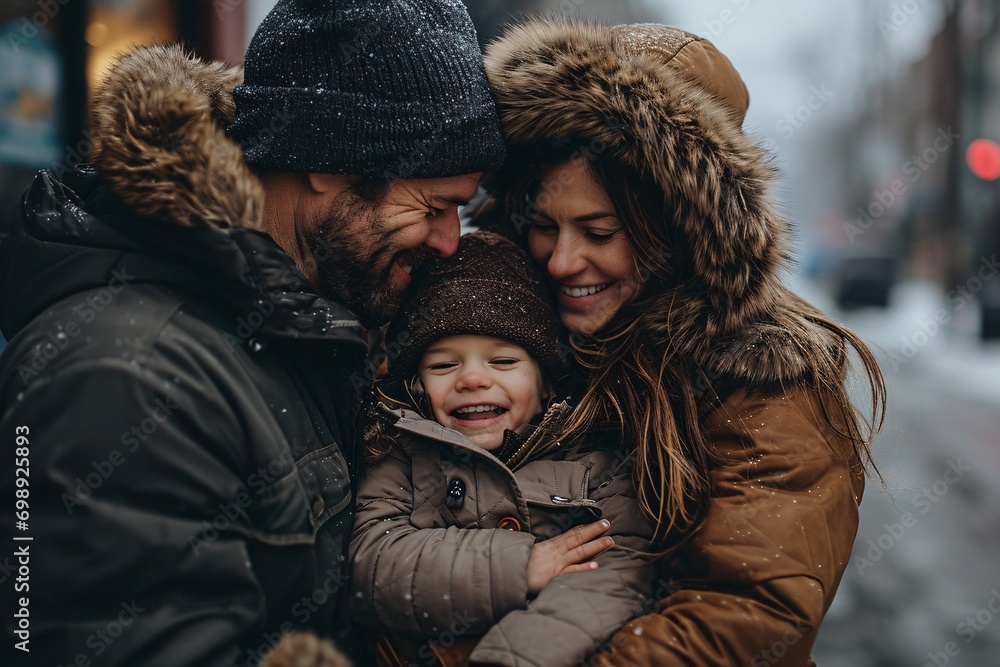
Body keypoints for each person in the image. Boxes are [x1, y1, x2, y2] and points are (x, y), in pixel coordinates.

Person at [0, 1, 504, 665]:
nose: (448, 241)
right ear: (329, 161)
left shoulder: (309, 319)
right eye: (433, 207)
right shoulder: (131, 383)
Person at [478, 20, 886, 666]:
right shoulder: (511, 343)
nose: (561, 261)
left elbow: (749, 612)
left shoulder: (769, 381)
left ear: (676, 233)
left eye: (598, 230)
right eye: (542, 226)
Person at [349, 232, 659, 667]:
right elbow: (373, 564)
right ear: (417, 386)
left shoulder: (595, 463)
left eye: (503, 361)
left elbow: (615, 577)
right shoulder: (402, 454)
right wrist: (518, 566)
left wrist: (508, 658)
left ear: (546, 380)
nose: (472, 379)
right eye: (444, 364)